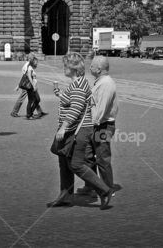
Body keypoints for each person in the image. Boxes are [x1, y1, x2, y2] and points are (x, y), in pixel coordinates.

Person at [46, 52, 112, 209]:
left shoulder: (78, 85)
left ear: (73, 68)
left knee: (75, 164)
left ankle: (104, 190)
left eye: (65, 66)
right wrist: (61, 95)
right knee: (63, 161)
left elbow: (76, 108)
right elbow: (73, 101)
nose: (64, 69)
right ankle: (65, 196)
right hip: (75, 129)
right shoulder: (78, 83)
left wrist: (63, 127)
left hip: (79, 130)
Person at [77, 56, 122, 199]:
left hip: (102, 126)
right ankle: (91, 186)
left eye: (91, 66)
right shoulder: (100, 82)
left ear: (99, 69)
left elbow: (101, 109)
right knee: (87, 156)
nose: (89, 68)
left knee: (103, 158)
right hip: (96, 125)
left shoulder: (106, 84)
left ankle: (108, 189)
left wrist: (89, 126)